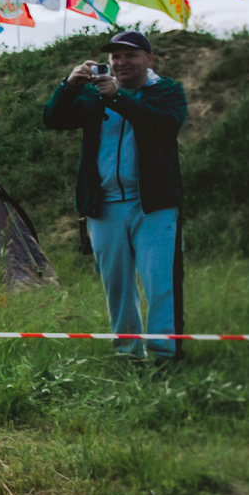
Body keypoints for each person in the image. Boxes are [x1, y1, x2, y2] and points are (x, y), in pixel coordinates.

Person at [42, 30, 188, 360]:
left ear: (149, 59)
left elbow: (161, 125)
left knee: (159, 282)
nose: (121, 62)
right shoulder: (94, 96)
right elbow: (54, 119)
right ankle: (128, 353)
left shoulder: (167, 91)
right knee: (117, 285)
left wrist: (118, 98)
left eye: (130, 55)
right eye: (115, 57)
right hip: (105, 205)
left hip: (153, 204)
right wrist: (69, 87)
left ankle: (165, 354)